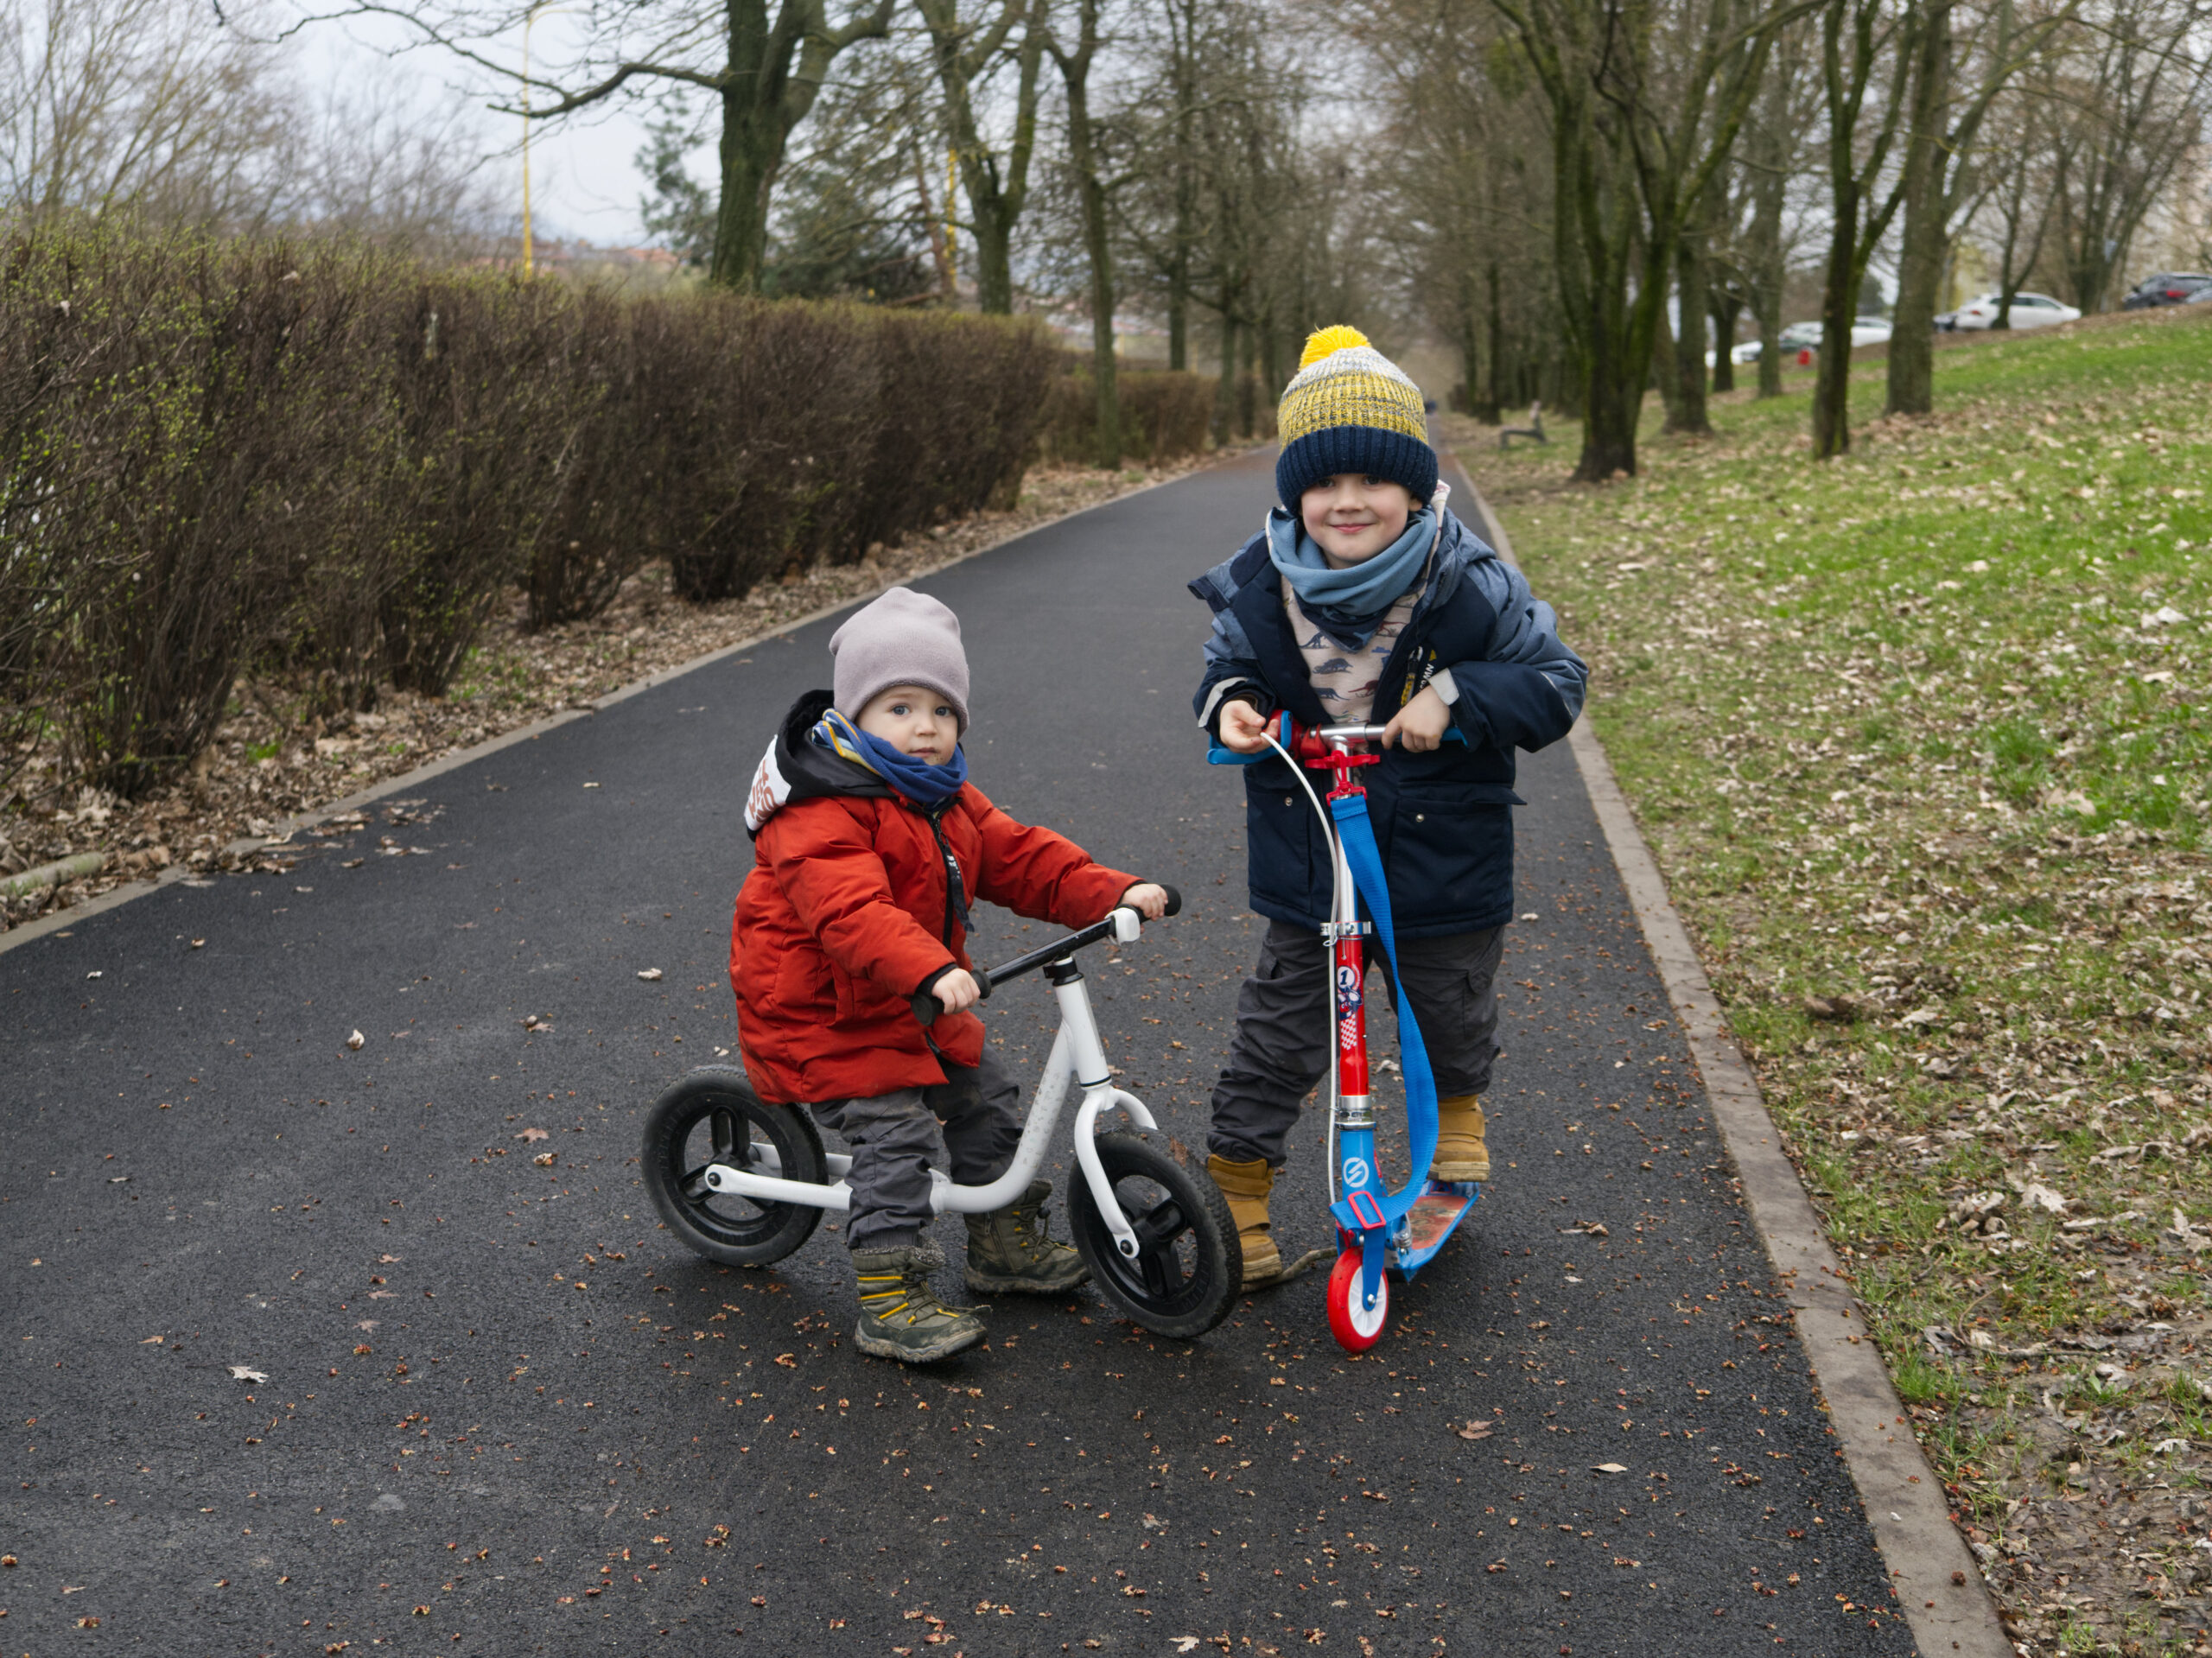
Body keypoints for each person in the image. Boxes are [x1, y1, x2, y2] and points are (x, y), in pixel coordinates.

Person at [1190, 326, 1587, 1289]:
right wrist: (1232, 706)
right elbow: (1226, 670)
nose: (1347, 502)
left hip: (1442, 855)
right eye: (1325, 484)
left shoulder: (1471, 583)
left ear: (1415, 489)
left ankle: (1454, 1134)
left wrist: (1455, 699)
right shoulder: (1258, 584)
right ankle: (1235, 1192)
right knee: (1279, 1030)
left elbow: (1555, 684)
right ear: (1296, 493)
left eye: (1373, 482)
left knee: (1445, 1009)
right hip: (1310, 854)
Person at [734, 587, 1169, 1363]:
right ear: (854, 715)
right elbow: (850, 911)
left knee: (989, 1098)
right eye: (899, 707)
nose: (924, 726)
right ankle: (888, 1295)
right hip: (824, 1016)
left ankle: (1001, 1241)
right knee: (898, 1136)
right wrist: (930, 965)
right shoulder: (818, 810)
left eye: (940, 708)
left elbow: (1021, 855)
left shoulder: (944, 799)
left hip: (915, 1003)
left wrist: (1113, 890)